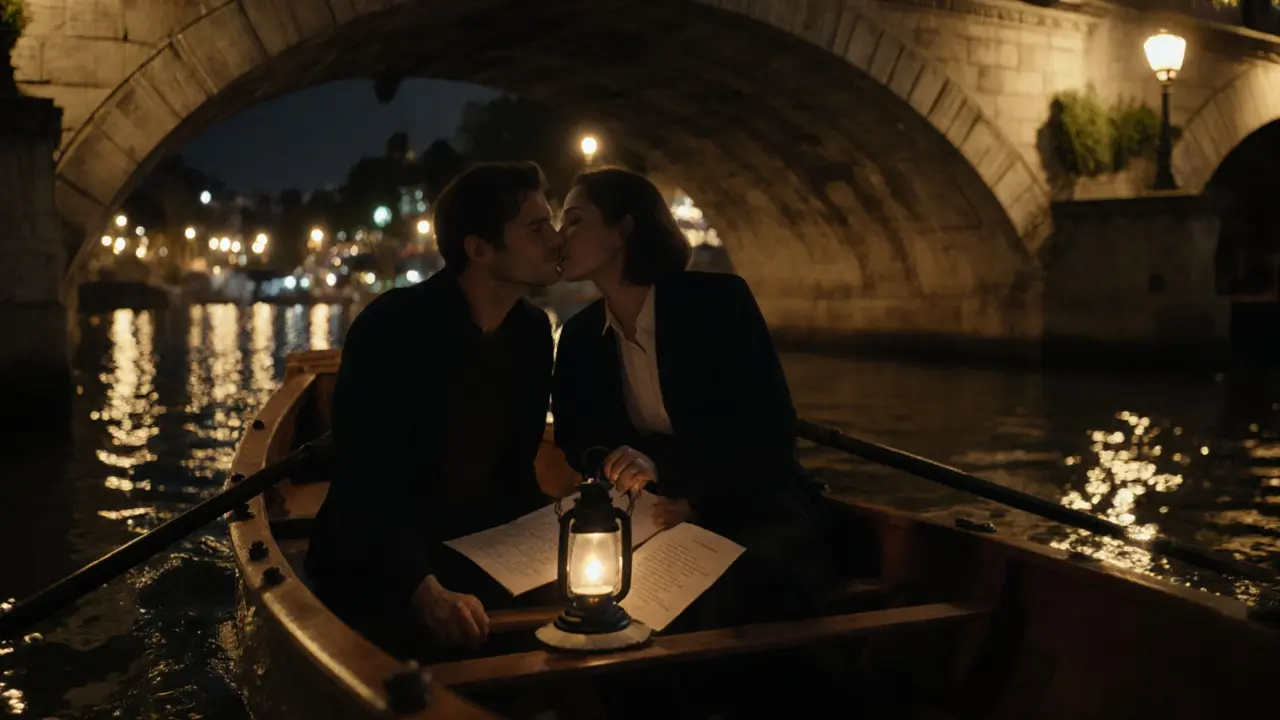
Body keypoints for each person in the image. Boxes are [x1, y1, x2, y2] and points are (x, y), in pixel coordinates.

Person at [551, 167, 831, 630]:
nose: (561, 237)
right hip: (649, 514)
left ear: (623, 229)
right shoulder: (581, 335)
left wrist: (682, 486)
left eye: (575, 220)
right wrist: (625, 473)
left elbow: (768, 433)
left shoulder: (718, 304)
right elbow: (578, 439)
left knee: (739, 582)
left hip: (749, 504)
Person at [305, 161, 564, 660]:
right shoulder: (390, 328)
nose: (556, 239)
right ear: (479, 249)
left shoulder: (532, 332)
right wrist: (420, 587)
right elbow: (367, 480)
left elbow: (514, 471)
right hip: (377, 559)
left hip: (478, 548)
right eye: (536, 227)